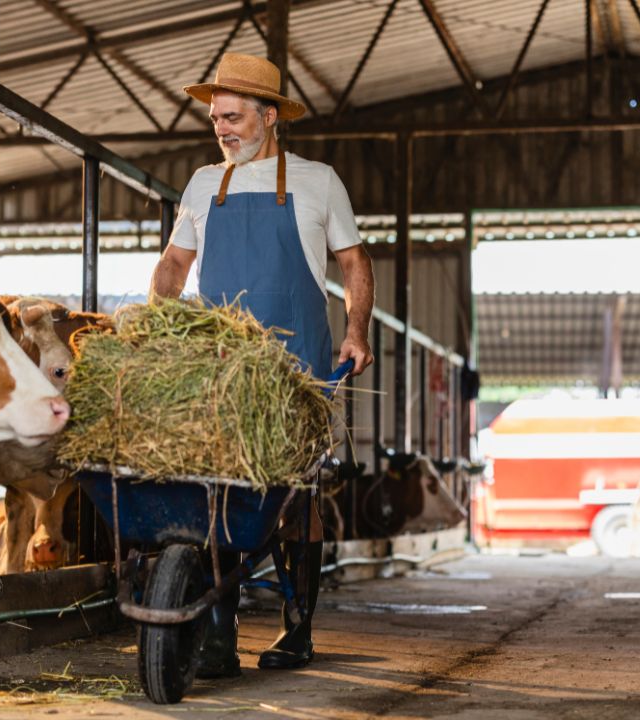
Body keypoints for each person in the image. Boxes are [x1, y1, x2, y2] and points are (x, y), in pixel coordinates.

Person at [150, 52, 375, 674]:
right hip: (219, 372)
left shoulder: (317, 180)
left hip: (297, 372)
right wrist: (154, 319)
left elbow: (354, 263)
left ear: (269, 117)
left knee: (297, 499)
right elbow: (174, 265)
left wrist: (354, 332)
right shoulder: (201, 184)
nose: (221, 128)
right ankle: (218, 637)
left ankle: (296, 630)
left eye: (233, 117)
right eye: (215, 118)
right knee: (216, 496)